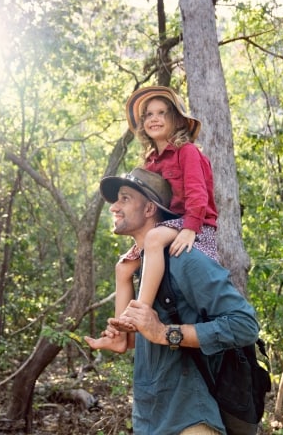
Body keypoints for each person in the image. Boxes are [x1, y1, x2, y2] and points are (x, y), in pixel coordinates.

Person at [89, 167, 260, 435]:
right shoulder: (140, 267)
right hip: (150, 419)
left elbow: (245, 325)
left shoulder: (184, 258)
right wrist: (126, 337)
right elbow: (149, 334)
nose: (114, 208)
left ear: (148, 210)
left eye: (124, 198)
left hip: (191, 420)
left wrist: (166, 333)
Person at [87, 85, 219, 353]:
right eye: (148, 115)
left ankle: (141, 310)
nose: (154, 119)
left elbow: (198, 194)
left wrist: (190, 228)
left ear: (177, 119)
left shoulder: (187, 152)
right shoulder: (151, 163)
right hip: (167, 225)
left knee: (154, 237)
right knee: (123, 267)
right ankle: (119, 337)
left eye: (162, 113)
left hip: (196, 225)